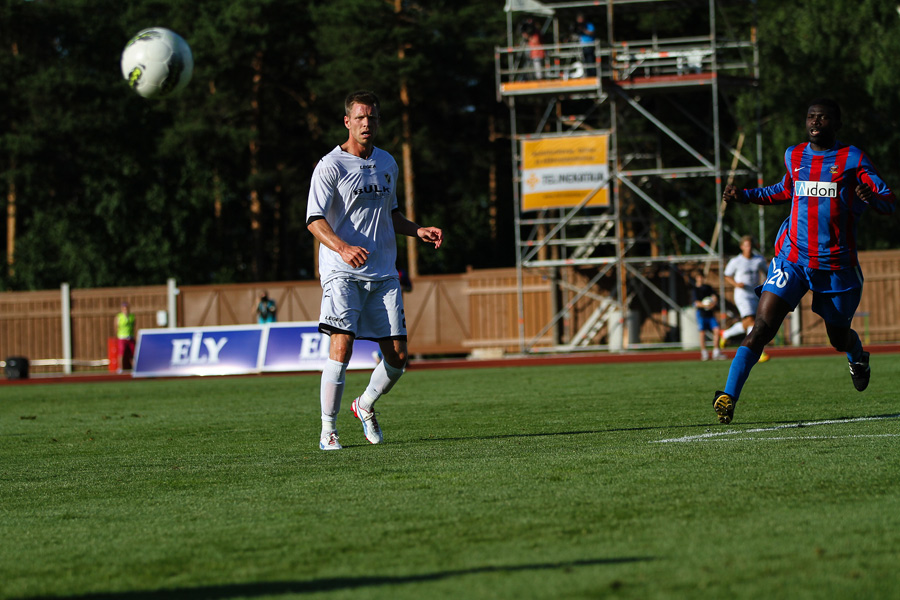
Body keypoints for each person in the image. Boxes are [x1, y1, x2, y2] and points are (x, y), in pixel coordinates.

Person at [714, 98, 895, 425]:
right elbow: (783, 190)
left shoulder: (852, 158)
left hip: (836, 266)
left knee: (838, 339)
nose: (815, 123)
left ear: (836, 124)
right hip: (792, 259)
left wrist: (873, 200)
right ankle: (728, 396)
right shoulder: (794, 155)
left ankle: (858, 357)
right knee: (761, 329)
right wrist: (745, 196)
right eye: (811, 117)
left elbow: (889, 201)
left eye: (823, 118)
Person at [306, 90, 443, 451]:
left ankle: (364, 404)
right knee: (342, 345)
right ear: (347, 122)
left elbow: (390, 214)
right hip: (341, 269)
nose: (367, 123)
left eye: (373, 118)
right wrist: (342, 247)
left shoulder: (387, 163)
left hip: (383, 272)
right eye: (360, 117)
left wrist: (418, 230)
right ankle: (328, 430)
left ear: (379, 122)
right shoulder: (330, 166)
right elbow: (314, 220)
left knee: (398, 358)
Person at [719, 235, 770, 362]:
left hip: (754, 294)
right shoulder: (736, 261)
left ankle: (726, 334)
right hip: (742, 295)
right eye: (746, 245)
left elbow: (767, 273)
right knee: (752, 320)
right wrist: (736, 284)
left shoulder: (758, 260)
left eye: (751, 245)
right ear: (742, 247)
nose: (749, 248)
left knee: (753, 322)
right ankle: (758, 352)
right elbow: (727, 275)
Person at [692, 271, 723, 361]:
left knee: (717, 330)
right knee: (702, 333)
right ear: (696, 278)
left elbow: (714, 297)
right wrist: (705, 305)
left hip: (710, 314)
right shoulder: (695, 290)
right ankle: (704, 353)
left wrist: (713, 303)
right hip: (701, 314)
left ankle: (716, 352)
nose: (700, 279)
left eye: (702, 277)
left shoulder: (708, 287)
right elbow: (696, 303)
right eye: (699, 277)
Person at [114, 301, 136, 373]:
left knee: (132, 353)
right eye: (124, 308)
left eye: (126, 308)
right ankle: (120, 368)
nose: (125, 309)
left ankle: (134, 368)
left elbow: (133, 326)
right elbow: (116, 327)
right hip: (122, 337)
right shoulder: (119, 317)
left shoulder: (132, 316)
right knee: (121, 353)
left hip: (130, 337)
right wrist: (118, 336)